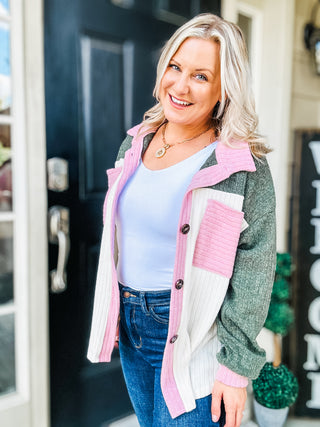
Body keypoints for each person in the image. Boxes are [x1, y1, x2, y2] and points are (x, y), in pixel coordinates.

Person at [87, 13, 276, 427]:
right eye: (176, 66)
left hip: (196, 336)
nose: (181, 85)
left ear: (224, 89)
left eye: (201, 76)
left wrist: (235, 368)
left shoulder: (241, 166)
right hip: (133, 327)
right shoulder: (136, 142)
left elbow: (255, 268)